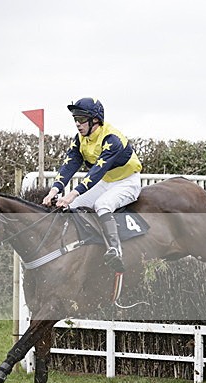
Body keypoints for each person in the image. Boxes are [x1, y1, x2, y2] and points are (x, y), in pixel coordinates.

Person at [42, 97, 143, 271]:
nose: (77, 124)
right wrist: (54, 191)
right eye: (75, 120)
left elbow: (96, 172)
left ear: (95, 119)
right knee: (71, 206)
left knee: (102, 205)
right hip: (107, 181)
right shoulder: (80, 138)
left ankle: (115, 249)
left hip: (127, 181)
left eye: (81, 119)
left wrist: (72, 193)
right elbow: (69, 165)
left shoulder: (112, 139)